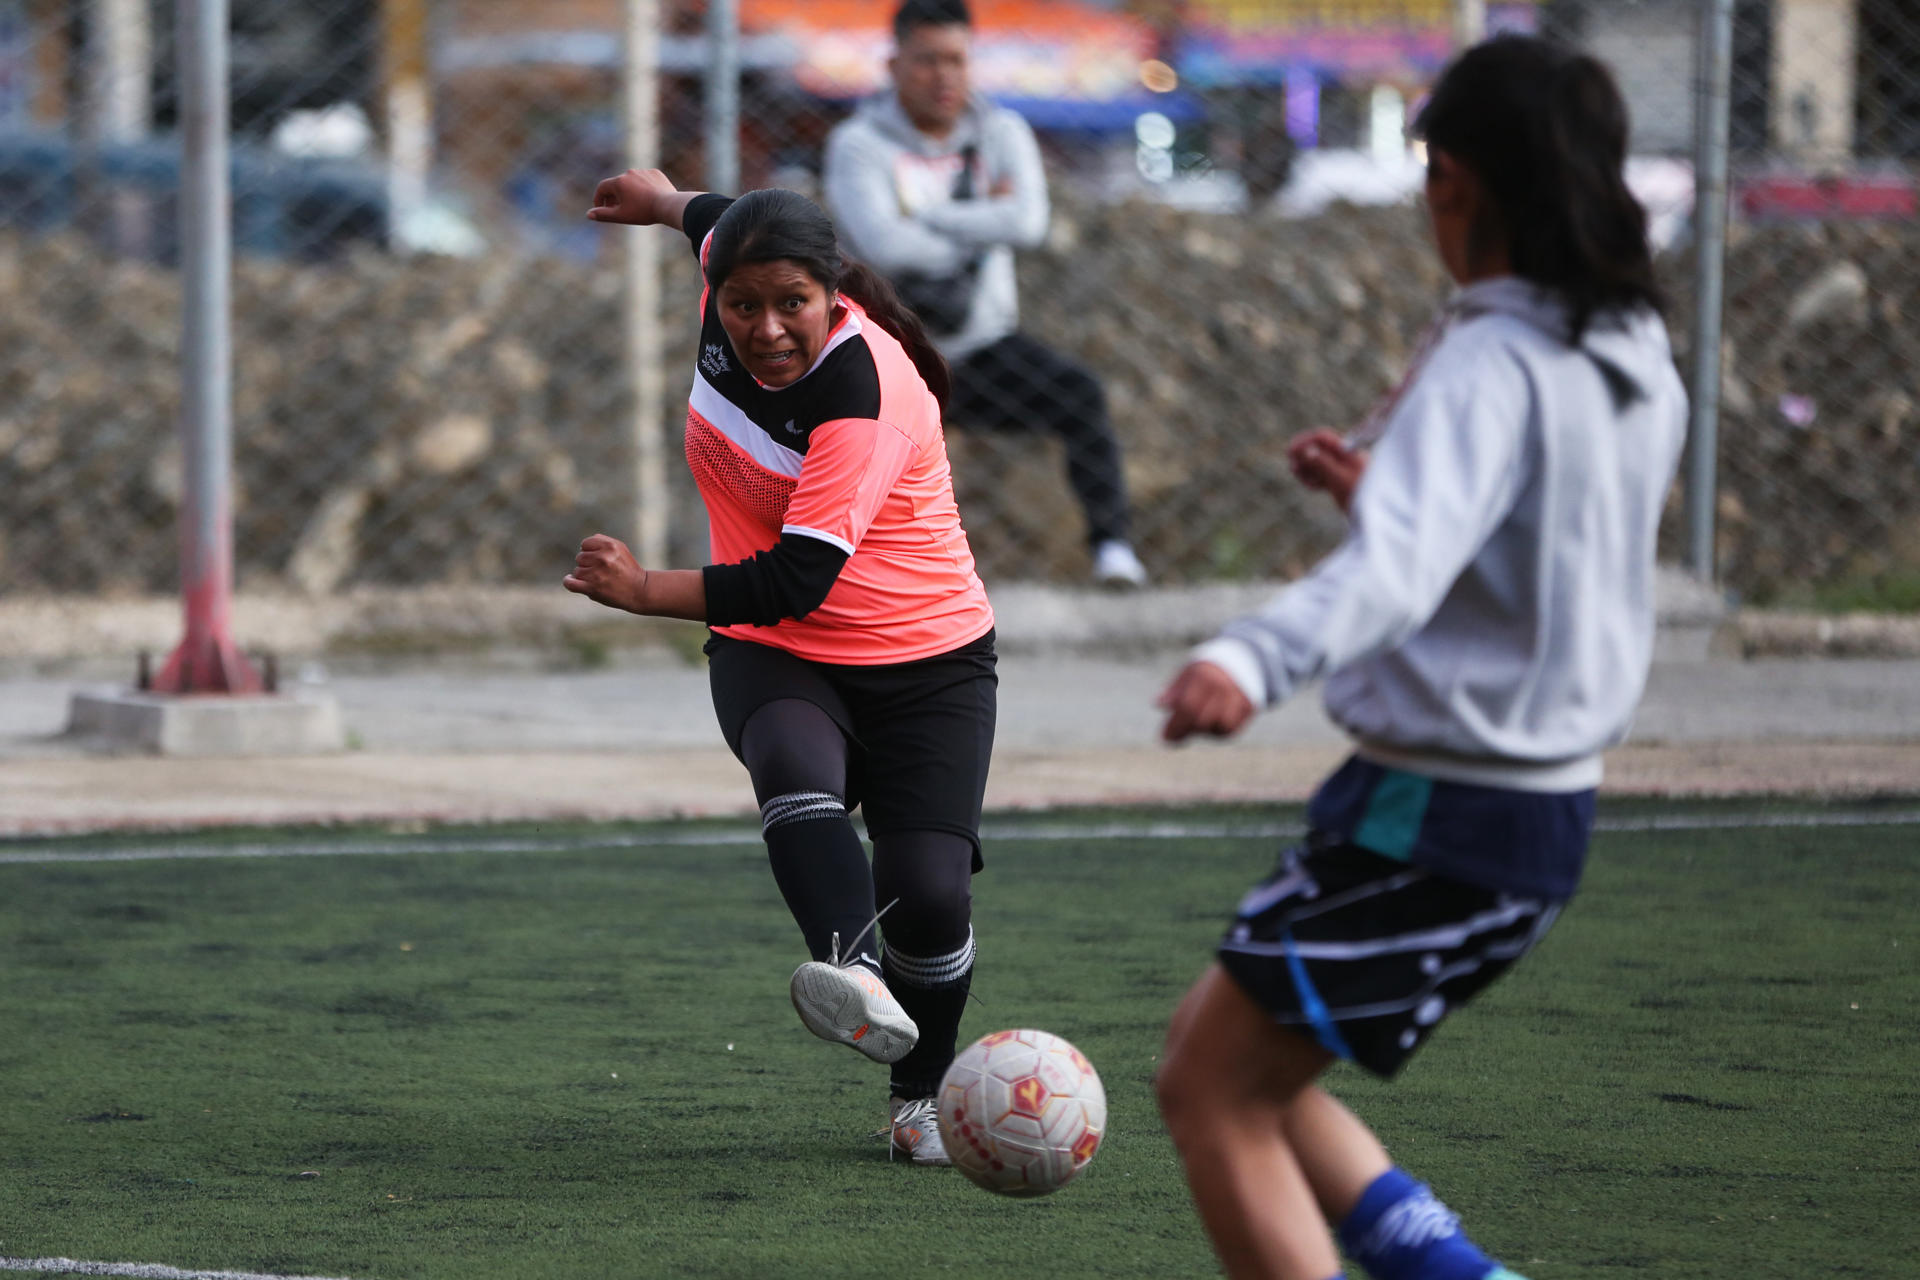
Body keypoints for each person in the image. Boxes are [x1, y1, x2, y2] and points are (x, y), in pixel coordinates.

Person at [1152, 36, 1688, 1280]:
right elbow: (1539, 536)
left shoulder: (1489, 358)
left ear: (1456, 177)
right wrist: (1397, 499)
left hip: (1441, 809)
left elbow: (1399, 574)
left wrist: (1249, 653)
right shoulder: (1629, 353)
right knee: (1241, 1066)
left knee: (1212, 1091)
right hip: (1528, 805)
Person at [565, 168, 998, 1167]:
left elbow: (799, 575)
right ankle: (848, 967)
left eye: (791, 303)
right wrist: (667, 200)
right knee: (796, 768)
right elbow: (720, 224)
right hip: (779, 655)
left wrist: (644, 591)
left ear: (832, 293)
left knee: (930, 893)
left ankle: (918, 1095)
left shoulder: (865, 389)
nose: (765, 327)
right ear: (717, 295)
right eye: (743, 304)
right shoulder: (732, 277)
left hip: (927, 660)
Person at [822, 0, 1149, 589]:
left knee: (1081, 396)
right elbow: (884, 245)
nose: (943, 75)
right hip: (890, 355)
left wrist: (926, 214)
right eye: (926, 61)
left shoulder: (1001, 132)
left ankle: (1113, 552)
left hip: (982, 347)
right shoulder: (858, 144)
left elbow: (1027, 224)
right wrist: (981, 217)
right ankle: (833, 573)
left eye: (955, 60)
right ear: (894, 64)